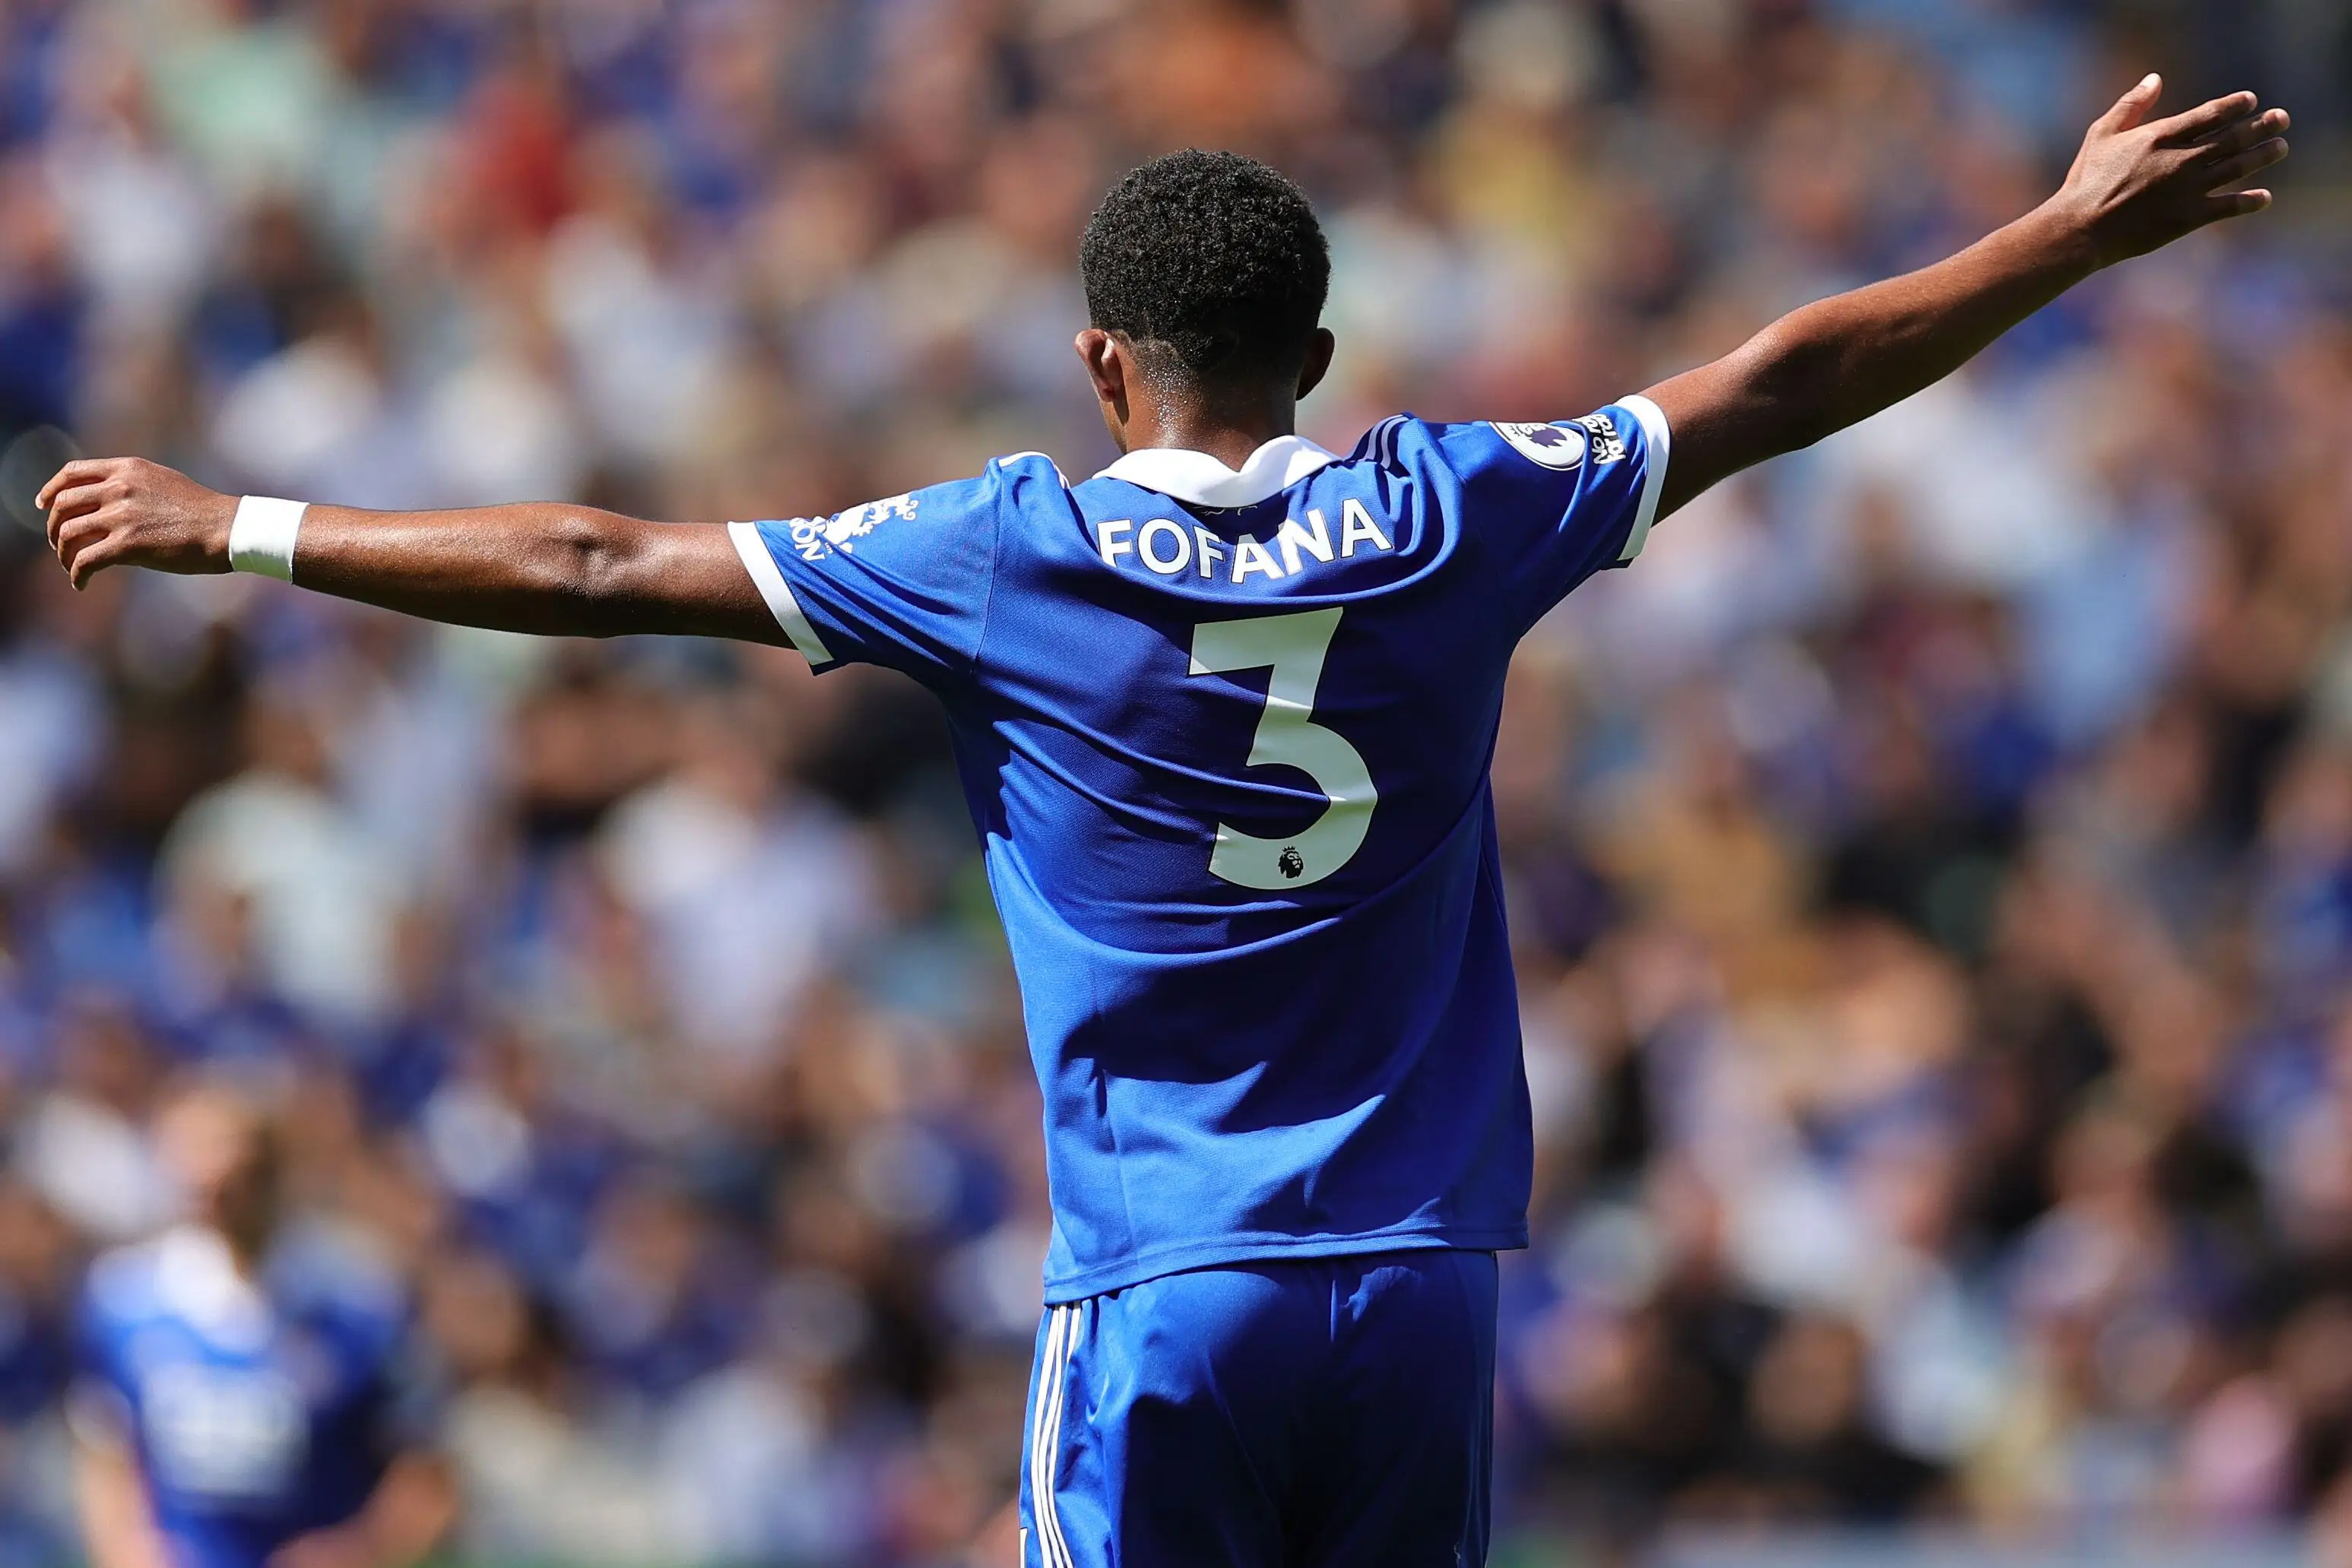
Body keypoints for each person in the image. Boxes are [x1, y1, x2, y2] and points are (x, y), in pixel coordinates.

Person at [40, 78, 2287, 1568]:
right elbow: (1780, 378)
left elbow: (606, 565)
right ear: (1314, 345)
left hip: (1165, 1282)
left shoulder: (1008, 551)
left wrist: (242, 522)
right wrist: (2065, 236)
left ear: (1107, 364)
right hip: (1418, 1283)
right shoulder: (1447, 512)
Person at [69, 1085, 455, 1568]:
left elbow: (426, 1473)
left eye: (235, 1174)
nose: (214, 1189)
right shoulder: (126, 1300)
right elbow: (108, 1456)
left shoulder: (360, 1302)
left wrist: (362, 1550)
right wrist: (129, 1553)